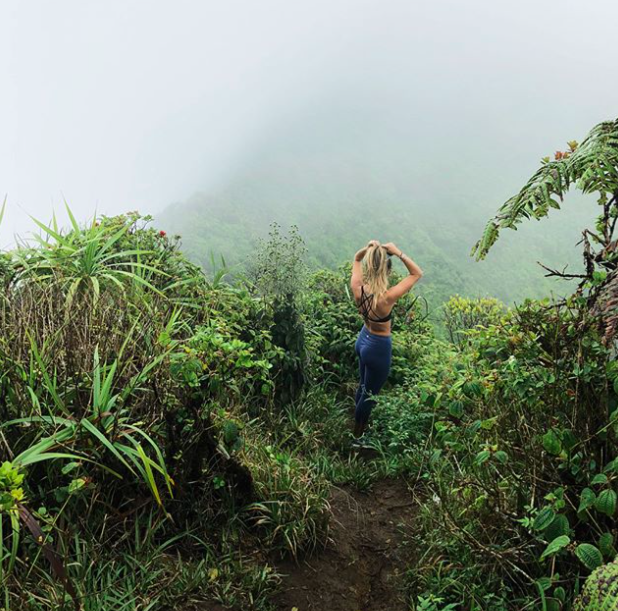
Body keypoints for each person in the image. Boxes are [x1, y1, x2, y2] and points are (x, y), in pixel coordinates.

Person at [350, 240, 423, 446]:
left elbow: (357, 258)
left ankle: (358, 428)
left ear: (368, 268)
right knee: (370, 395)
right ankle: (358, 437)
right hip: (378, 347)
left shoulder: (358, 288)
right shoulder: (386, 298)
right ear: (387, 272)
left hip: (363, 339)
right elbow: (417, 273)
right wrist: (398, 252)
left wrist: (370, 249)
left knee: (363, 386)